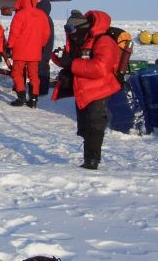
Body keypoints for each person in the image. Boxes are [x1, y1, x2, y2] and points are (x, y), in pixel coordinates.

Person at [51, 10, 121, 170]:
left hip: (99, 89)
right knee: (85, 126)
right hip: (83, 89)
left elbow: (100, 68)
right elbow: (77, 62)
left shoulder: (104, 41)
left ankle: (92, 161)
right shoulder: (83, 42)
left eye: (73, 30)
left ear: (82, 28)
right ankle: (88, 157)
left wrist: (72, 64)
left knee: (94, 124)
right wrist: (60, 60)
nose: (72, 35)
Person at [6, 0, 51, 108]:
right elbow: (46, 34)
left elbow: (14, 33)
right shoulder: (42, 16)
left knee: (16, 73)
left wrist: (9, 46)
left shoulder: (20, 15)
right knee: (34, 75)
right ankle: (34, 100)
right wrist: (40, 45)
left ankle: (21, 97)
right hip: (35, 52)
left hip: (20, 51)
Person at [36, 0, 55, 96]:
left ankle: (42, 88)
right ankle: (43, 88)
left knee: (41, 66)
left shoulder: (43, 19)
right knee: (44, 66)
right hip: (47, 47)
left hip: (43, 47)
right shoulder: (48, 18)